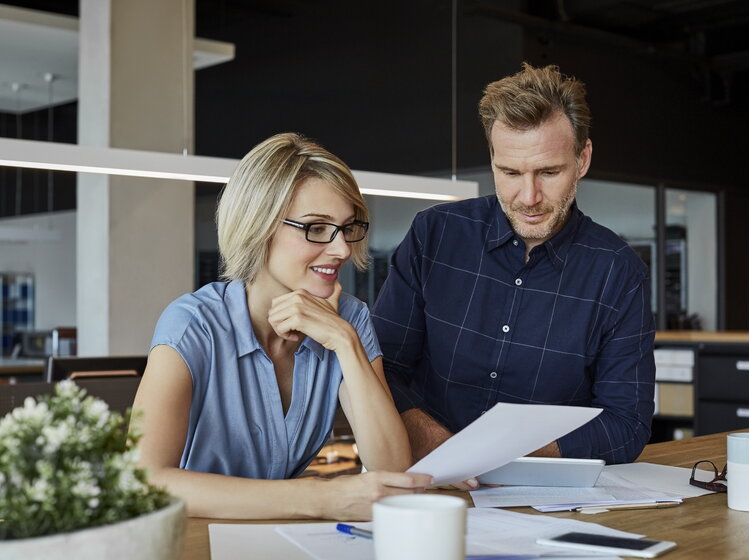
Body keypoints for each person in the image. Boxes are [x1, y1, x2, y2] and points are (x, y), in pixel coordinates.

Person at [371, 63, 655, 477]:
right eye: (510, 172)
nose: (529, 196)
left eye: (549, 172)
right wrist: (444, 450)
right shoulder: (434, 235)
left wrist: (499, 459)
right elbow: (382, 369)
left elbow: (626, 425)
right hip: (424, 481)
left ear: (583, 159)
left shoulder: (618, 272)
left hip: (543, 501)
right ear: (492, 161)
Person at [131, 132, 430, 520]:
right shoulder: (194, 324)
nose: (341, 249)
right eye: (317, 228)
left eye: (347, 228)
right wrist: (321, 499)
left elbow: (391, 470)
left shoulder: (350, 318)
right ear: (260, 226)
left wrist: (343, 340)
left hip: (279, 537)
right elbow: (144, 480)